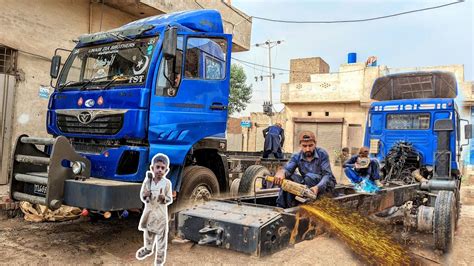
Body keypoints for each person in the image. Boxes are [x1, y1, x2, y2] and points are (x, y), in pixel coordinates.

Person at [273, 131, 337, 208]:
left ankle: (308, 202)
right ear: (300, 145)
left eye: (310, 145)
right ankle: (282, 207)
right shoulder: (297, 156)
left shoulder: (322, 154)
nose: (307, 149)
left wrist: (317, 188)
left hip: (325, 184)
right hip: (307, 184)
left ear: (315, 144)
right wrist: (281, 172)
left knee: (309, 177)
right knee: (288, 179)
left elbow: (327, 175)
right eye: (304, 146)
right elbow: (288, 170)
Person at [136, 153, 173, 265]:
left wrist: (164, 198)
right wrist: (145, 195)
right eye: (158, 167)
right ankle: (148, 248)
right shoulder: (148, 182)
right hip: (150, 212)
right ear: (152, 168)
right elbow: (144, 196)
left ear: (166, 170)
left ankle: (160, 258)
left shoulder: (167, 184)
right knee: (148, 232)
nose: (160, 170)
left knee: (161, 237)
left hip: (160, 214)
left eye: (163, 168)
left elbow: (169, 199)